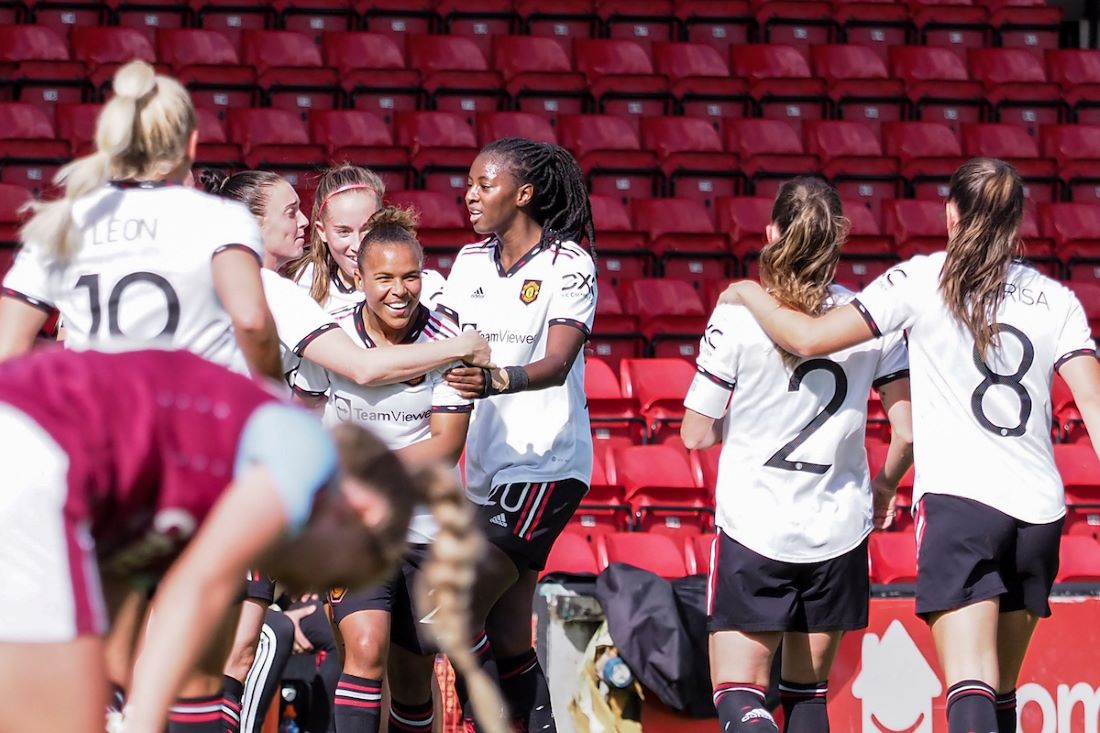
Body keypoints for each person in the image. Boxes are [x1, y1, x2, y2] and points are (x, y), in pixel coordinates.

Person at [718, 158, 1100, 733]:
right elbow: (1094, 408)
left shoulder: (921, 280)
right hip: (1039, 513)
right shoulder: (1058, 300)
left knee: (971, 681)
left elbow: (808, 336)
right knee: (1001, 693)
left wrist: (750, 291)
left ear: (950, 215)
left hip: (961, 505)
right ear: (1018, 222)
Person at [0, 347, 421, 733]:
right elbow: (200, 587)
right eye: (336, 568)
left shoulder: (179, 495)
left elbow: (115, 604)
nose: (313, 583)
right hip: (35, 452)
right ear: (363, 509)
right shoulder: (306, 449)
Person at [679, 178, 914, 733]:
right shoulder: (870, 321)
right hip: (837, 528)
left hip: (755, 527)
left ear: (771, 235)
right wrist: (883, 488)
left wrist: (735, 427)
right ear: (837, 243)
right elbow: (906, 433)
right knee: (807, 695)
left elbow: (695, 434)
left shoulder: (738, 315)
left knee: (739, 692)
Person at [435, 137, 598, 733]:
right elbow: (444, 348)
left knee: (452, 614)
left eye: (485, 184)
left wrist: (496, 377)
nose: (470, 195)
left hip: (546, 465)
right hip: (485, 469)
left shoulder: (569, 264)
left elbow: (556, 361)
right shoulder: (469, 263)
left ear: (523, 194)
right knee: (506, 636)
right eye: (469, 183)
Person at [292, 206, 472, 733]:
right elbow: (303, 420)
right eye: (384, 278)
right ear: (359, 279)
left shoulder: (448, 338)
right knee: (364, 650)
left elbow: (445, 446)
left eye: (410, 276)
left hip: (426, 529)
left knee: (415, 680)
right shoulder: (331, 339)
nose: (400, 290)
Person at [0, 60, 280, 381]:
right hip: (192, 415)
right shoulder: (223, 218)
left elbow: (7, 350)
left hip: (98, 415)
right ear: (190, 143)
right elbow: (251, 321)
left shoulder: (61, 221)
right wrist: (272, 389)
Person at [202, 169, 491, 385]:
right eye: (291, 213)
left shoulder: (212, 275)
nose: (302, 221)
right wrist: (462, 346)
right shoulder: (279, 290)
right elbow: (361, 368)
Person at [285, 163, 450, 316]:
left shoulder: (425, 287)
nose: (357, 245)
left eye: (367, 229)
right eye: (343, 232)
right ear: (322, 231)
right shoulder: (303, 284)